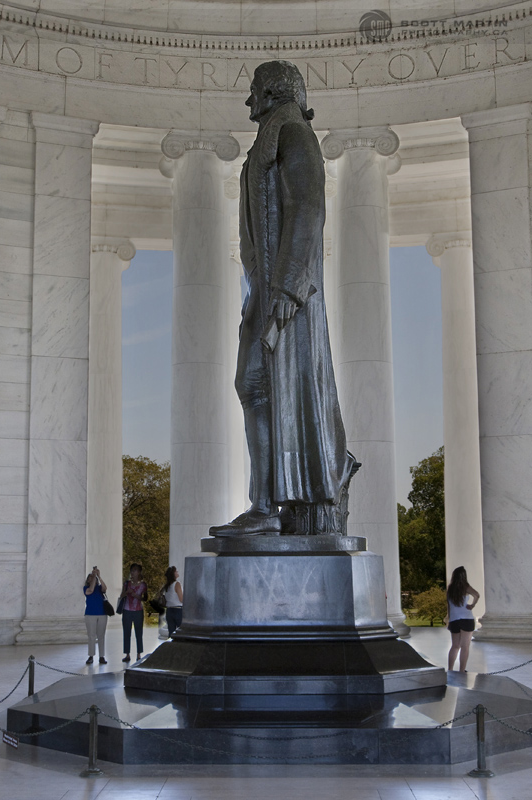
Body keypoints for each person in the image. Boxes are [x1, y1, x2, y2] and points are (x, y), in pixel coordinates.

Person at [210, 60, 356, 538]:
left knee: (262, 387)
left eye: (254, 91)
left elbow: (307, 210)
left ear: (274, 92)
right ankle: (266, 504)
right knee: (252, 385)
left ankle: (270, 506)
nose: (249, 101)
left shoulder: (293, 133)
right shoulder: (271, 136)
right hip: (264, 291)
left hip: (288, 298)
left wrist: (288, 290)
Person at [447, 566, 480, 672]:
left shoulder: (450, 588)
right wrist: (472, 605)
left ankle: (450, 669)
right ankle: (462, 670)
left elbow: (449, 606)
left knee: (455, 646)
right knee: (465, 646)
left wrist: (449, 619)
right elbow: (476, 595)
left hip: (454, 619)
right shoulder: (465, 586)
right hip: (466, 618)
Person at [120, 563, 148, 663]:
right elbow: (121, 596)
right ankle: (127, 654)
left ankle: (139, 654)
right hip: (127, 610)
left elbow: (145, 598)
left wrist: (136, 595)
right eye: (131, 570)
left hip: (138, 611)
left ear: (139, 572)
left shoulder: (143, 585)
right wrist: (126, 592)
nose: (132, 572)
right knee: (126, 632)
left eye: (135, 570)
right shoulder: (126, 583)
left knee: (138, 632)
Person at [83, 567, 108, 665]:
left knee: (101, 636)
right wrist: (94, 576)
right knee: (91, 636)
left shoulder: (100, 588)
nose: (92, 578)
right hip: (90, 614)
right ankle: (91, 656)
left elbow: (105, 588)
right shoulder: (86, 588)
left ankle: (102, 656)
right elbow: (91, 589)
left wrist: (99, 576)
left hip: (102, 614)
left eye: (92, 577)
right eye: (90, 577)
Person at [163, 566, 183, 637]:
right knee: (181, 632)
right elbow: (181, 599)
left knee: (171, 633)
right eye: (176, 571)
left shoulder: (167, 586)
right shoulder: (177, 584)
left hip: (169, 611)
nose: (177, 572)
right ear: (173, 574)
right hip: (178, 610)